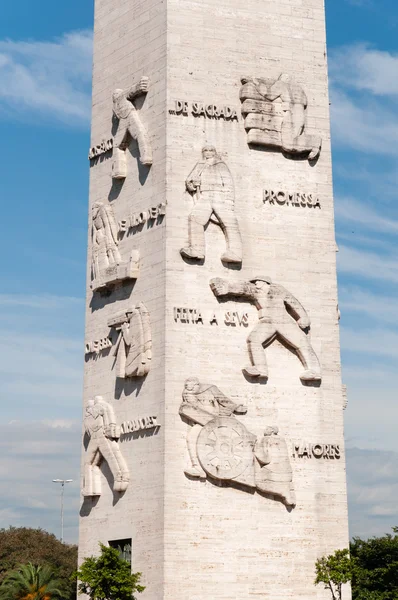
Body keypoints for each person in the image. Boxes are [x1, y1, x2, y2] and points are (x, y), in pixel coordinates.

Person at [210, 276, 321, 382]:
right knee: (254, 339)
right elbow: (244, 289)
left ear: (264, 282)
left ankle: (314, 371)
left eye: (256, 282)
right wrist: (228, 288)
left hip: (283, 320)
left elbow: (293, 302)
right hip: (267, 320)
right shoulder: (256, 290)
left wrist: (303, 317)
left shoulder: (279, 290)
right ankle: (261, 369)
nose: (255, 284)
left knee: (301, 343)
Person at [180, 145, 242, 264]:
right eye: (205, 151)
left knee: (230, 222)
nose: (208, 153)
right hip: (205, 196)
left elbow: (228, 183)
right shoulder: (200, 165)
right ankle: (197, 249)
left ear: (214, 152)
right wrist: (192, 184)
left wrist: (229, 201)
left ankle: (235, 252)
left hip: (219, 195)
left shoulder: (220, 165)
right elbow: (189, 181)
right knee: (195, 218)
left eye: (211, 150)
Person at [240, 74, 321, 161]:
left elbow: (268, 95)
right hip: (300, 115)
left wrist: (255, 82)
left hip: (290, 115)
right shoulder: (299, 89)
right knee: (293, 139)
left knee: (288, 144)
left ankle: (314, 142)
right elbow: (304, 102)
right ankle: (314, 143)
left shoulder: (281, 84)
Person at [179, 377, 247, 478]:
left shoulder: (210, 388)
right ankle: (197, 467)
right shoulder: (187, 394)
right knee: (191, 438)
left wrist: (236, 408)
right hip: (201, 421)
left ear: (196, 385)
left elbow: (224, 400)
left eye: (189, 386)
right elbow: (188, 408)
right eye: (186, 387)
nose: (188, 388)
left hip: (215, 421)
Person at [83, 396, 129, 496]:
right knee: (108, 457)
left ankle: (121, 479)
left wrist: (110, 429)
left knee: (108, 457)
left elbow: (89, 429)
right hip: (98, 437)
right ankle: (91, 489)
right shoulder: (102, 408)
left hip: (100, 436)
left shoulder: (98, 410)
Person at [112, 76, 153, 178]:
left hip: (130, 116)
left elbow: (130, 91)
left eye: (116, 94)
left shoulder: (121, 96)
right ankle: (119, 170)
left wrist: (139, 87)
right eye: (114, 95)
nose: (115, 96)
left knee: (139, 133)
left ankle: (146, 156)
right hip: (123, 121)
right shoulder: (115, 105)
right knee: (117, 144)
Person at [254, 426, 296, 507]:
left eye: (267, 429)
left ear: (272, 431)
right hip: (287, 472)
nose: (265, 430)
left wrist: (255, 449)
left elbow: (265, 459)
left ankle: (283, 492)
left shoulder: (267, 439)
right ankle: (287, 491)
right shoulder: (281, 439)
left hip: (273, 472)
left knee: (258, 481)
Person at [91, 202, 121, 287]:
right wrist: (94, 244)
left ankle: (116, 263)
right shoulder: (94, 218)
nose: (92, 210)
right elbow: (94, 232)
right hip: (100, 239)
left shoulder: (102, 210)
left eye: (94, 208)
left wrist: (113, 239)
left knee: (111, 249)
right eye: (92, 209)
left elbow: (108, 225)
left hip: (106, 236)